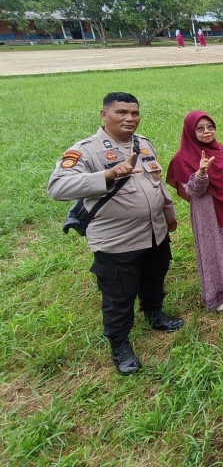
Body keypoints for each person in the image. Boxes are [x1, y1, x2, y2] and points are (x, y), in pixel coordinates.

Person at [48, 92, 183, 376]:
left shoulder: (144, 144)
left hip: (154, 233)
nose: (129, 118)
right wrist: (107, 176)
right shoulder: (87, 150)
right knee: (119, 295)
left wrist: (168, 214)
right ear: (104, 114)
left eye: (134, 113)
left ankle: (154, 312)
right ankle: (120, 343)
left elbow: (156, 184)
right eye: (121, 112)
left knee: (154, 276)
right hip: (117, 241)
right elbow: (57, 187)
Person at [166, 111, 223, 312]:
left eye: (210, 126)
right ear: (190, 132)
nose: (206, 131)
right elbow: (192, 191)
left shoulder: (218, 149)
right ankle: (221, 292)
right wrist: (201, 173)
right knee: (218, 248)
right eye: (199, 128)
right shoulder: (183, 158)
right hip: (208, 213)